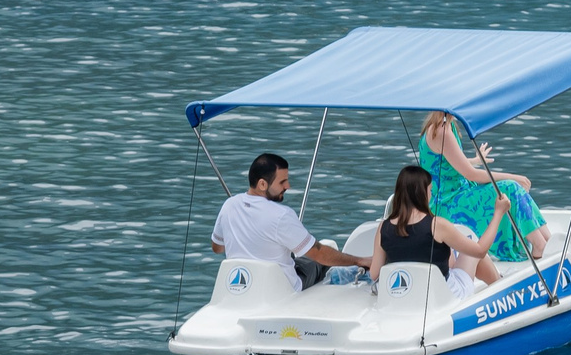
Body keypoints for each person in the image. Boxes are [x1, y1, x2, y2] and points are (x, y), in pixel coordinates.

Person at [210, 152, 367, 293]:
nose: (288, 186)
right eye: (282, 182)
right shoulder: (281, 215)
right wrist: (359, 260)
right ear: (262, 184)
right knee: (328, 248)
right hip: (282, 289)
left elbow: (217, 248)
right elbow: (318, 254)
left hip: (242, 287)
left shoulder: (229, 205)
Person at [418, 110, 549, 263]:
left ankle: (547, 240)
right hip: (447, 203)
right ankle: (539, 246)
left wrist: (474, 160)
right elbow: (472, 175)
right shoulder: (441, 131)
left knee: (510, 188)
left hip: (460, 191)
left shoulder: (448, 125)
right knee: (510, 187)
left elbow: (448, 164)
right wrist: (514, 177)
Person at [367, 165, 504, 299]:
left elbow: (374, 274)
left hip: (404, 296)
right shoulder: (437, 225)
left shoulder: (383, 227)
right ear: (422, 192)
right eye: (430, 190)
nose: (431, 195)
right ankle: (501, 289)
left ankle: (498, 283)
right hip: (442, 296)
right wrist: (498, 212)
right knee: (473, 250)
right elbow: (480, 251)